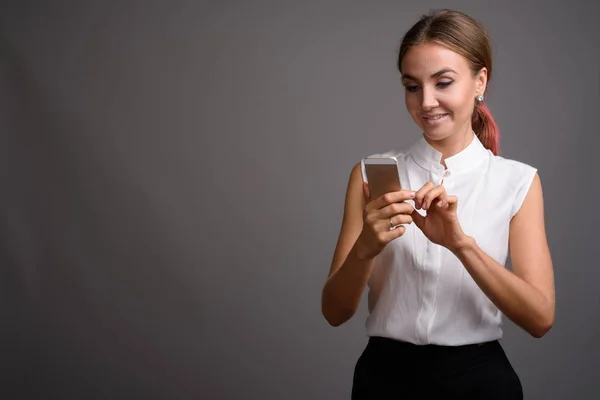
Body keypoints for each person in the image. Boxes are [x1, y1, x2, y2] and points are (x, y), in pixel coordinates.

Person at [320, 9, 555, 399]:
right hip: (383, 382)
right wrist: (366, 247)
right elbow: (334, 312)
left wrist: (460, 244)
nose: (426, 102)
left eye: (443, 82)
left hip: (479, 383)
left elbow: (540, 318)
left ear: (480, 81)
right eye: (412, 86)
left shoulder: (518, 182)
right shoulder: (368, 175)